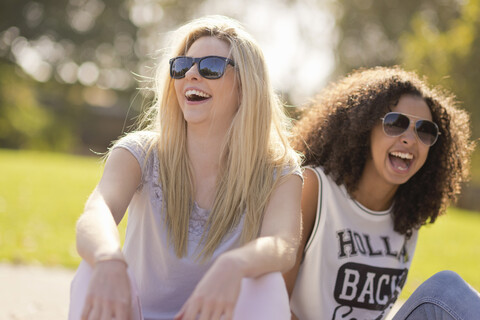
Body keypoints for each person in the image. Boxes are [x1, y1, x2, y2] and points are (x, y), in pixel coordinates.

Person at [69, 15, 303, 320]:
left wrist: (235, 264)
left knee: (267, 282)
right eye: (182, 66)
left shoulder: (279, 170)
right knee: (92, 269)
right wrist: (108, 260)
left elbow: (283, 244)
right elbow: (96, 212)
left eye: (211, 67)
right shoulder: (140, 152)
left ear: (245, 87)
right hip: (134, 315)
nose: (191, 74)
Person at [283, 66, 479, 319]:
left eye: (425, 131)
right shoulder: (314, 188)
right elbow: (273, 297)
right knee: (445, 291)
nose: (410, 138)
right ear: (364, 127)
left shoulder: (407, 216)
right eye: (396, 123)